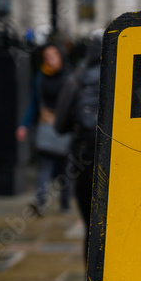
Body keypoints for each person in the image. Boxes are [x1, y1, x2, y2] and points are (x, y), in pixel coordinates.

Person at [55, 31, 102, 264]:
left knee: (91, 226)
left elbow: (60, 125)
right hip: (122, 163)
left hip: (86, 161)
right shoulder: (129, 77)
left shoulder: (77, 79)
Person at [17, 44, 72, 216]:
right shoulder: (40, 77)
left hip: (66, 127)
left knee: (65, 169)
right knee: (44, 167)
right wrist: (24, 125)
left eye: (53, 56)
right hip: (46, 125)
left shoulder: (70, 77)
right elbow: (34, 104)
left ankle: (65, 203)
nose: (50, 60)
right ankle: (40, 201)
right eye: (47, 57)